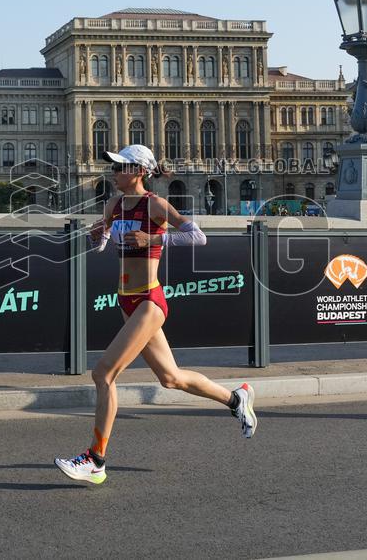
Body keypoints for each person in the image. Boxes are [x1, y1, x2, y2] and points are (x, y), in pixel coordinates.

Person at [55, 144, 257, 484]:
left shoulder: (156, 205)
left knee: (103, 374)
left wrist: (152, 238)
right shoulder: (113, 205)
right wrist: (96, 237)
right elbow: (104, 244)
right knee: (171, 378)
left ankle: (96, 459)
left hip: (150, 300)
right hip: (127, 300)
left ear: (137, 171)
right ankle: (236, 398)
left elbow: (198, 236)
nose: (113, 172)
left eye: (119, 167)